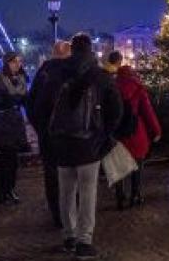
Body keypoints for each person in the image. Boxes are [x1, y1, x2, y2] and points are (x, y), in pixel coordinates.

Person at [49, 33, 123, 259]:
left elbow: (40, 106)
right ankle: (84, 241)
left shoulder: (55, 73)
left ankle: (68, 235)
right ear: (91, 50)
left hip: (62, 143)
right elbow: (117, 109)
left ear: (72, 49)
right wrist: (105, 133)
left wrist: (49, 135)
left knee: (66, 192)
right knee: (88, 193)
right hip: (89, 144)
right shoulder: (100, 76)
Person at [26, 40, 71, 227]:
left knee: (52, 176)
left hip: (48, 135)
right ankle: (71, 214)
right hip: (71, 136)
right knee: (71, 175)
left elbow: (30, 105)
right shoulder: (73, 73)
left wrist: (41, 129)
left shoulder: (43, 73)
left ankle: (57, 216)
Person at [109, 51, 161, 210]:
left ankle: (120, 198)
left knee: (118, 166)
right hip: (135, 131)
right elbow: (148, 111)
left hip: (117, 131)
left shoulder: (111, 86)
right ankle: (135, 195)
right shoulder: (138, 87)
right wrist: (156, 130)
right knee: (137, 165)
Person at [0, 51, 29, 205]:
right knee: (6, 158)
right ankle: (2, 191)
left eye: (19, 61)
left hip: (15, 123)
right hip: (2, 123)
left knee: (12, 159)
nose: (18, 64)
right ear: (6, 63)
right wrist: (12, 99)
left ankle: (8, 190)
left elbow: (25, 100)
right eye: (14, 62)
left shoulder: (21, 79)